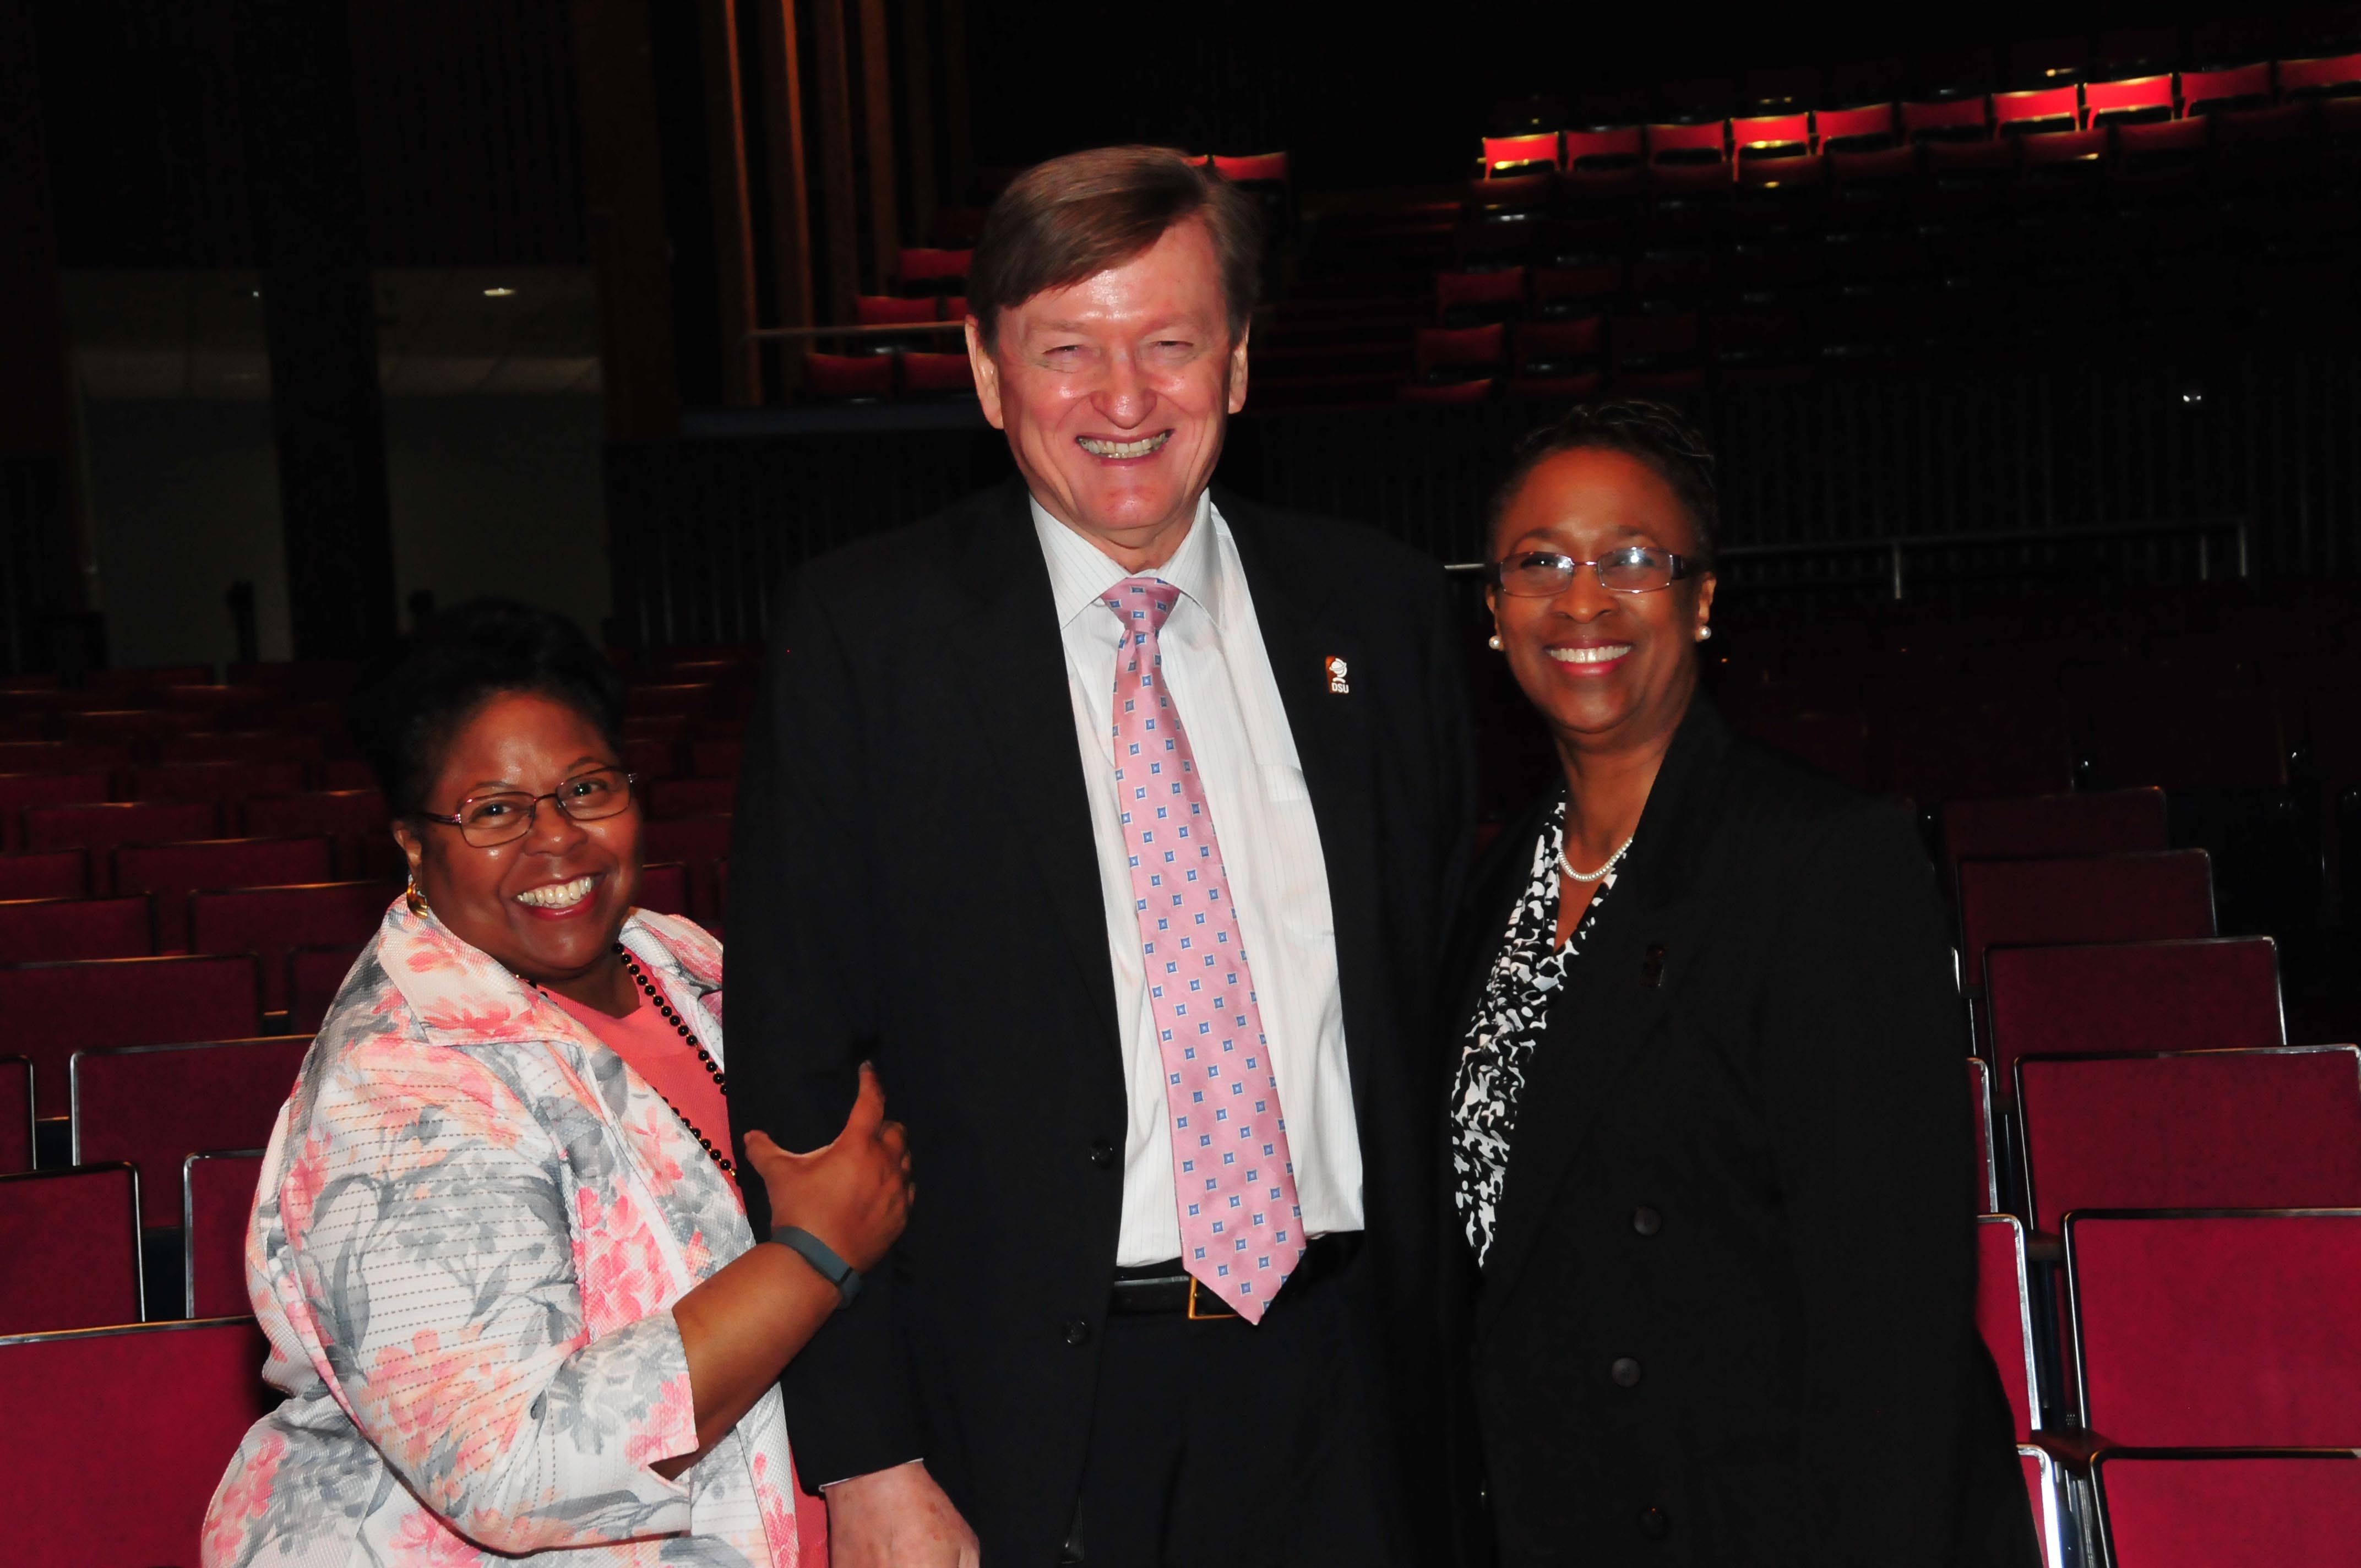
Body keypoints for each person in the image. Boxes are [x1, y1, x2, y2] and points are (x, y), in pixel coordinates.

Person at [728, 146, 1473, 1567]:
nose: (1125, 402)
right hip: (1030, 1425)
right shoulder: (863, 646)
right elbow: (797, 1077)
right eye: (1069, 352)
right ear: (988, 370)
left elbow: (1430, 1005)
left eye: (1171, 346)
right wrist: (867, 1457)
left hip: (1351, 1397)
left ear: (1240, 364)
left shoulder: (1378, 615)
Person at [1441, 402, 2038, 1566]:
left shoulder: (1822, 860)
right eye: (1539, 561)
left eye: (1629, 559)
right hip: (1559, 1517)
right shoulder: (1484, 888)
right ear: (1492, 609)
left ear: (1701, 598)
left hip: (1770, 1520)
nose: (1581, 599)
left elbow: (1891, 1313)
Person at [200, 600, 913, 1568]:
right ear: (413, 840)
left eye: (586, 787)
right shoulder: (398, 1088)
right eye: (494, 811)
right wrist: (811, 1256)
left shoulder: (684, 959)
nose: (557, 841)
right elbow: (513, 1471)